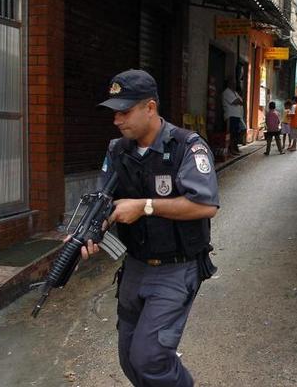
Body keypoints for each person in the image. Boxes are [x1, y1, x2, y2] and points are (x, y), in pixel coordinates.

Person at [81, 69, 219, 386]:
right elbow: (107, 201)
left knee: (150, 358)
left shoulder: (187, 147)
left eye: (125, 111)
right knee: (130, 359)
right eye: (114, 112)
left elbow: (206, 205)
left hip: (176, 268)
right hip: (135, 268)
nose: (117, 120)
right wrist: (91, 229)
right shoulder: (118, 150)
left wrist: (145, 206)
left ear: (150, 108)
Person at [222, 79, 245, 156]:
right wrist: (238, 101)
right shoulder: (226, 92)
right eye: (232, 83)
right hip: (231, 115)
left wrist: (238, 101)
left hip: (237, 116)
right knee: (231, 133)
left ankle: (235, 147)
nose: (234, 84)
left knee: (240, 131)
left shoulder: (235, 93)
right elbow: (236, 101)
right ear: (229, 83)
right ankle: (231, 149)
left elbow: (241, 101)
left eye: (234, 83)